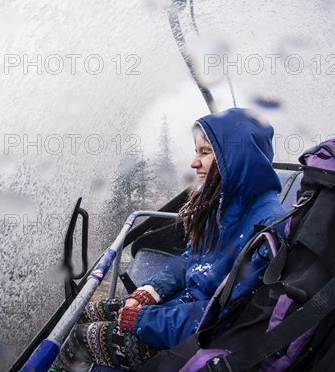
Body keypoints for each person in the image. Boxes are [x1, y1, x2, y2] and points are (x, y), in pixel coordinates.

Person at [50, 108, 286, 371]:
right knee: (80, 313)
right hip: (177, 309)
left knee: (79, 340)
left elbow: (226, 320)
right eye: (196, 152)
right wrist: (151, 291)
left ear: (236, 157)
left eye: (205, 152)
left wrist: (142, 319)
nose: (193, 163)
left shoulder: (268, 227)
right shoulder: (220, 205)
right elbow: (190, 260)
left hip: (193, 343)